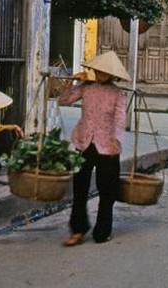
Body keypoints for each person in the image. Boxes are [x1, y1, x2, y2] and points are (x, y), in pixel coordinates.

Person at [57, 51, 130, 246]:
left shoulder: (117, 94)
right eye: (98, 71)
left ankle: (102, 231)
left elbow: (120, 119)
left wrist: (117, 139)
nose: (100, 75)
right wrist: (72, 82)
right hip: (84, 142)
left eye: (105, 72)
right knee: (79, 188)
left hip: (107, 146)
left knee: (107, 191)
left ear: (112, 74)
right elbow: (63, 101)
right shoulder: (86, 88)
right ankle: (78, 229)